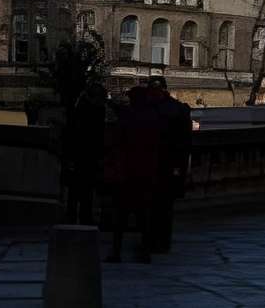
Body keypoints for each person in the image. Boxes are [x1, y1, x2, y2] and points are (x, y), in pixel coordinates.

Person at [106, 79, 192, 261]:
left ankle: (141, 246)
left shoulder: (145, 114)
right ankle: (153, 244)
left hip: (147, 169)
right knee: (154, 210)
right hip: (155, 168)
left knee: (139, 211)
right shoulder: (172, 110)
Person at [60, 80, 109, 226]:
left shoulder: (80, 109)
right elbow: (93, 136)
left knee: (77, 191)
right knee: (83, 190)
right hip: (84, 156)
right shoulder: (91, 112)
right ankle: (82, 218)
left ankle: (74, 217)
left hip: (80, 156)